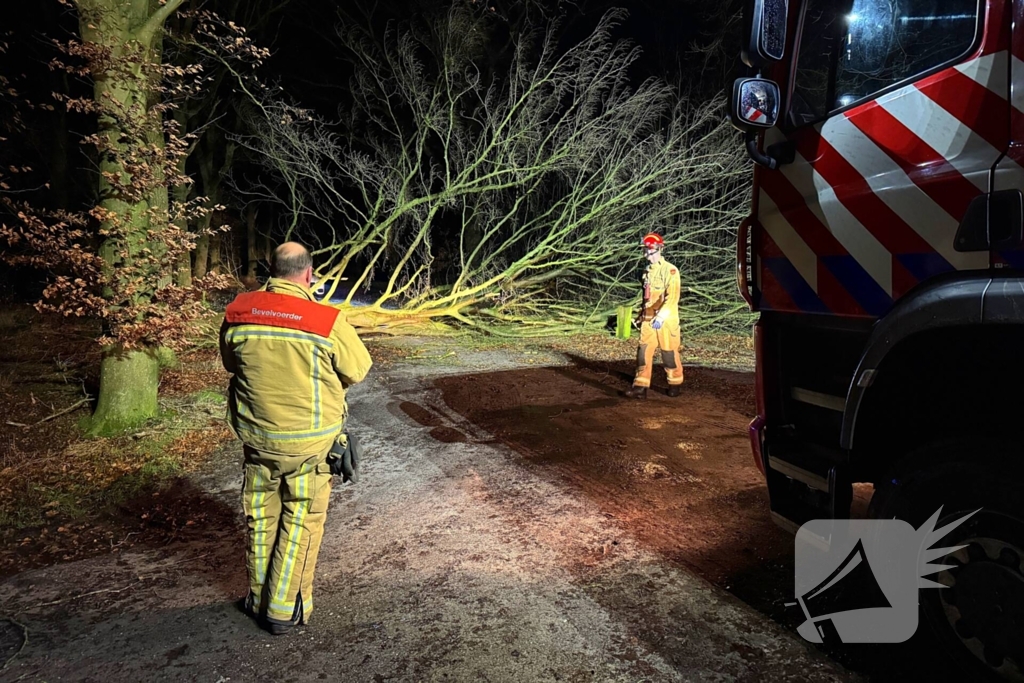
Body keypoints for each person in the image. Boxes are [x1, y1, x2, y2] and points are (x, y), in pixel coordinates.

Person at [219, 242, 373, 635]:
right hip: (310, 447)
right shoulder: (325, 319)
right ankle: (282, 610)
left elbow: (230, 363)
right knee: (300, 520)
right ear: (308, 274)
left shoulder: (239, 312)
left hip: (258, 441)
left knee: (260, 518)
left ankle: (257, 599)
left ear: (271, 270)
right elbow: (357, 369)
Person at [625, 232, 683, 399]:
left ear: (658, 249)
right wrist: (640, 315)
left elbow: (673, 297)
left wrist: (661, 316)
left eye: (648, 250)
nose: (646, 254)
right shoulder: (647, 271)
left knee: (669, 353)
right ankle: (640, 387)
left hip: (666, 321)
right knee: (643, 352)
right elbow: (647, 298)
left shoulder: (670, 270)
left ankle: (674, 383)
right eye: (644, 250)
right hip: (648, 319)